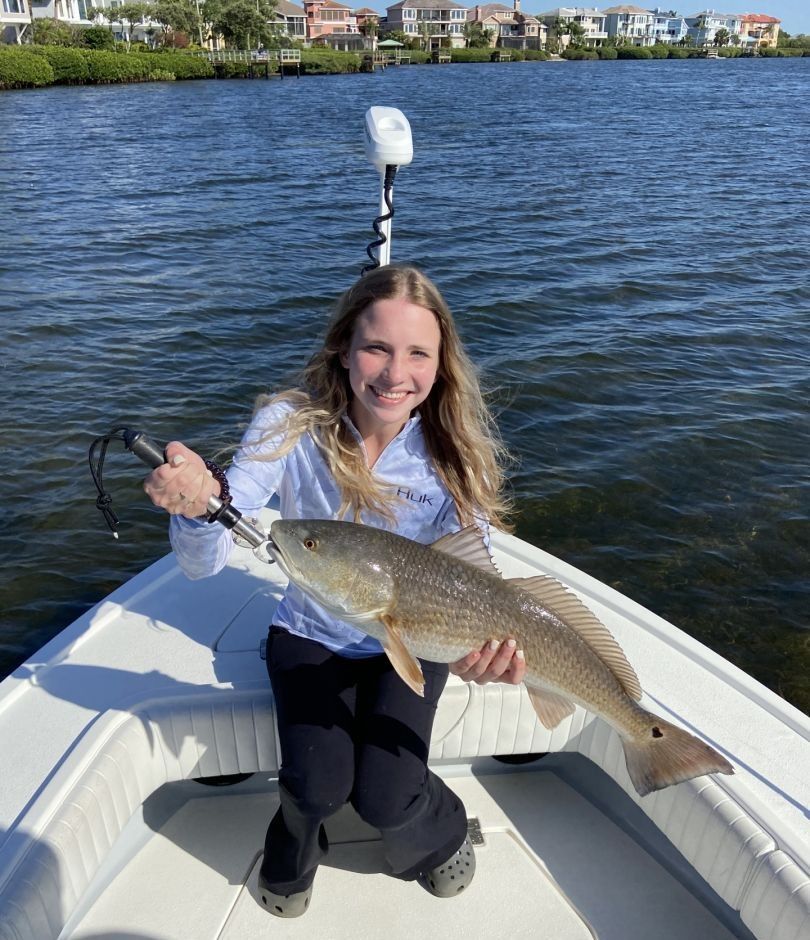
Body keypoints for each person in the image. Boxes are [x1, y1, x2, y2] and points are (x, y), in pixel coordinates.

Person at [144, 264, 525, 917]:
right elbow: (206, 563)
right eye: (376, 347)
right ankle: (292, 851)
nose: (395, 373)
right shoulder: (287, 425)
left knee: (389, 796)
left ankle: (441, 832)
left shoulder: (453, 452)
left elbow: (474, 572)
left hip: (413, 635)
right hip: (311, 632)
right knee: (314, 787)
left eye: (418, 353)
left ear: (441, 365)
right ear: (343, 349)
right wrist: (198, 506)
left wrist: (481, 653)